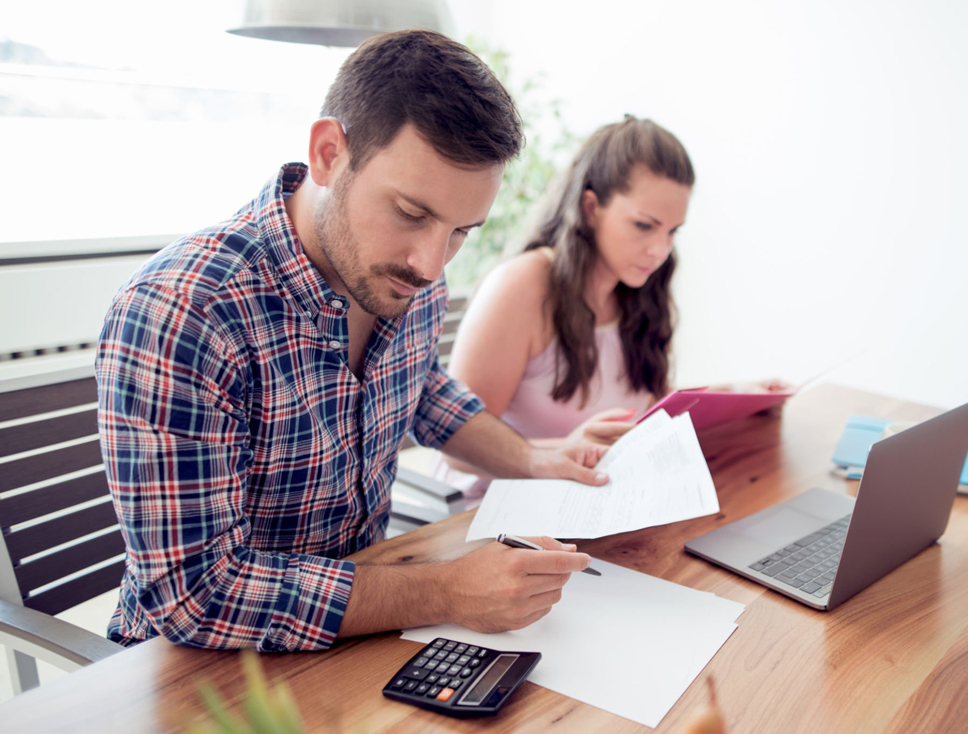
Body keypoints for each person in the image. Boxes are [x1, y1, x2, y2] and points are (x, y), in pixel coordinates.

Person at [95, 30, 608, 653]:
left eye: (460, 232)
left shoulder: (405, 278)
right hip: (205, 674)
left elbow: (422, 390)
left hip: (358, 632)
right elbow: (195, 595)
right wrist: (443, 591)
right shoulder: (185, 314)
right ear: (329, 152)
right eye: (411, 213)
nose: (431, 264)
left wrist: (532, 460)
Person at [439, 117, 694, 491]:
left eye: (672, 232)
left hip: (596, 501)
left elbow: (651, 409)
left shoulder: (641, 291)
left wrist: (739, 397)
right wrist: (567, 448)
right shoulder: (523, 286)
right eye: (644, 225)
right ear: (591, 207)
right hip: (495, 514)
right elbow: (455, 448)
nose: (660, 250)